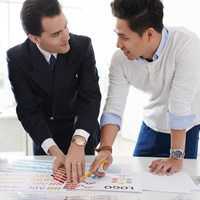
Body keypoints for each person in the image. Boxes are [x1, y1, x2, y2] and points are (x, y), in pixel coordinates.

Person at [91, 0, 200, 176]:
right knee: (139, 180)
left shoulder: (186, 43)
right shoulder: (120, 59)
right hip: (151, 124)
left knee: (177, 185)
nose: (118, 44)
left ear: (149, 34)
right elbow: (114, 107)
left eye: (124, 37)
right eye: (117, 35)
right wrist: (106, 148)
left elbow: (179, 103)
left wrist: (176, 157)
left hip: (186, 129)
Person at [7, 0, 101, 182]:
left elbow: (89, 98)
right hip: (46, 135)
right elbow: (28, 109)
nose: (66, 36)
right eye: (57, 34)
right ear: (34, 38)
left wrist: (78, 142)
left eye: (66, 26)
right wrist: (54, 150)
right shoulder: (17, 57)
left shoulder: (82, 46)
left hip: (81, 130)